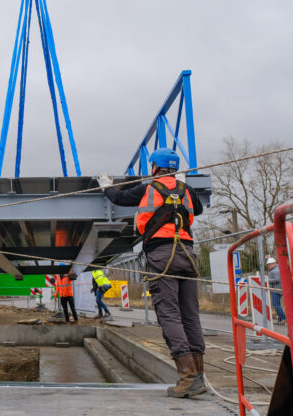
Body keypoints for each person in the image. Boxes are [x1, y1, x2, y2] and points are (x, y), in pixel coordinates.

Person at [98, 148, 206, 398]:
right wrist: (182, 190)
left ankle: (189, 379)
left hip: (162, 255)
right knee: (191, 315)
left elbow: (119, 198)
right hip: (188, 254)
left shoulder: (149, 187)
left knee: (169, 315)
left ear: (155, 167)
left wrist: (106, 187)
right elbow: (197, 210)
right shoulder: (186, 190)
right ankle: (199, 377)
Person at [266, 257, 286, 323]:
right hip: (276, 290)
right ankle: (280, 319)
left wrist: (267, 280)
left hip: (276, 290)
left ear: (274, 263)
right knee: (277, 305)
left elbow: (277, 280)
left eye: (270, 264)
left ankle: (283, 318)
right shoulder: (276, 269)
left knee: (276, 305)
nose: (268, 266)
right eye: (268, 264)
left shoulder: (275, 271)